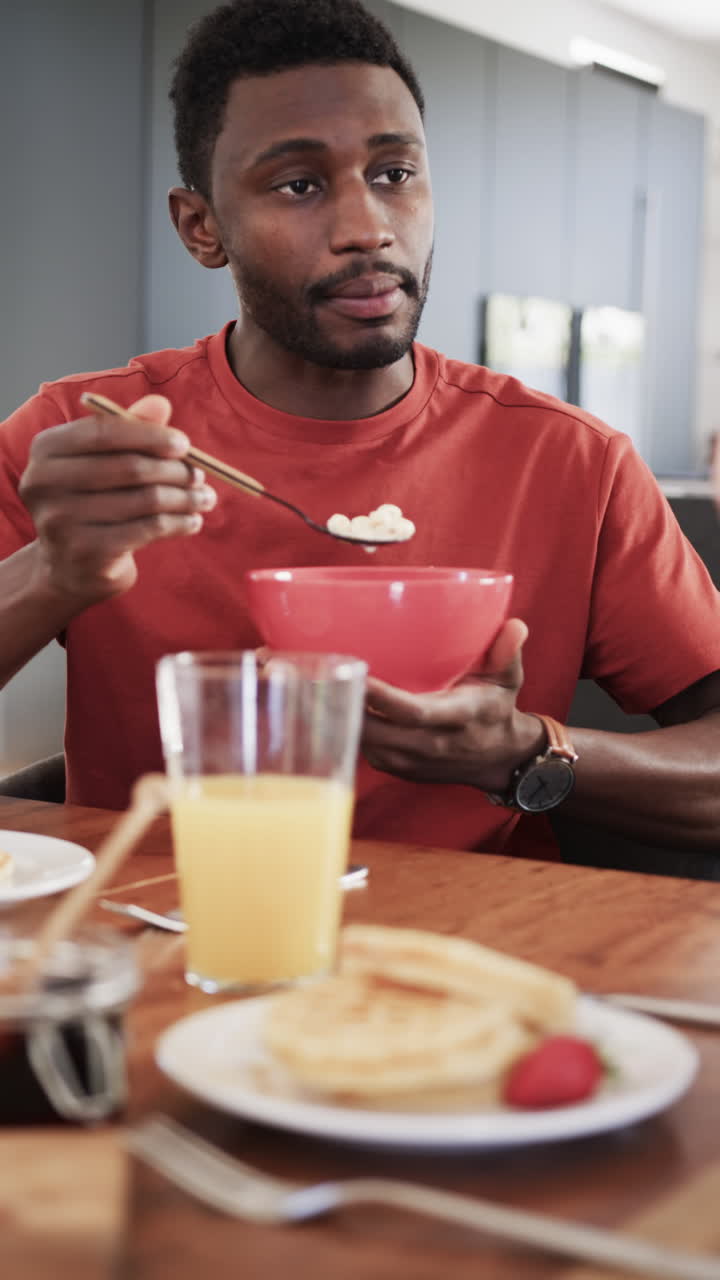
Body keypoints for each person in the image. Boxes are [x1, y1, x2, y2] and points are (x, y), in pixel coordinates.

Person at [1, 0, 720, 861]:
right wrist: (52, 571)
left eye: (394, 173)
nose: (368, 229)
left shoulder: (575, 462)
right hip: (158, 950)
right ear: (201, 227)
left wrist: (526, 751)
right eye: (298, 185)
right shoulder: (86, 445)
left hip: (470, 958)